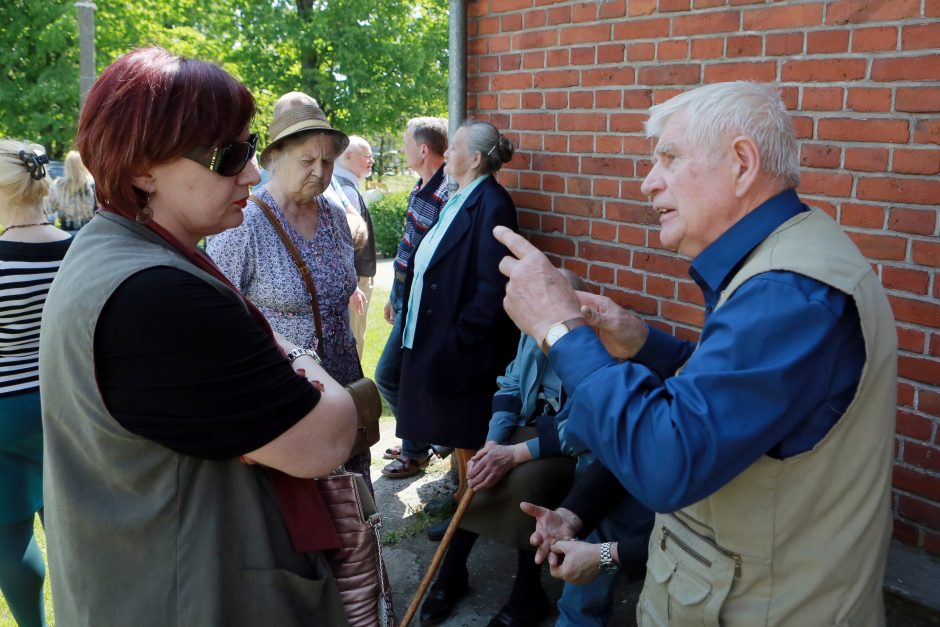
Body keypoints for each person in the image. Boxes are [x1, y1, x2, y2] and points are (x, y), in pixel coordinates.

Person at [497, 81, 896, 626]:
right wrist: (643, 343)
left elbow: (668, 458)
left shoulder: (787, 293)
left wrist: (557, 329)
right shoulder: (784, 261)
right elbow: (734, 401)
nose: (648, 182)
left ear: (741, 162)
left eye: (669, 157)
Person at [40, 47, 358, 626]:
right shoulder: (159, 300)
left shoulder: (110, 249)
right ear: (142, 168)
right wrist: (296, 356)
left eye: (250, 147)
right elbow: (327, 439)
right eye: (227, 154)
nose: (252, 172)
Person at [207, 92, 375, 495]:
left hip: (344, 385)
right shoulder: (244, 224)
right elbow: (221, 322)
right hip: (287, 396)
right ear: (274, 158)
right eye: (307, 161)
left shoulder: (335, 216)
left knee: (353, 513)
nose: (319, 172)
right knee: (300, 512)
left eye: (328, 162)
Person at [397, 119, 520, 625]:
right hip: (436, 343)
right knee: (463, 458)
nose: (446, 157)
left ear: (474, 159)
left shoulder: (493, 202)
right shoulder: (460, 195)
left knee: (474, 462)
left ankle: (452, 572)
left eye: (455, 152)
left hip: (464, 356)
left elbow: (490, 291)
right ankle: (455, 542)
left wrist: (459, 343)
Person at [0, 139, 70, 627]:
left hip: (5, 409)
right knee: (74, 531)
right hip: (69, 405)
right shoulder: (82, 248)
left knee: (10, 532)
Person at [375, 116, 450, 479]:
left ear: (423, 149)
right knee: (404, 374)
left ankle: (419, 447)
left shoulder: (445, 194)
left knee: (389, 375)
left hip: (423, 301)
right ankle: (415, 439)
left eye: (406, 143)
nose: (402, 149)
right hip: (405, 295)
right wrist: (394, 295)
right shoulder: (420, 188)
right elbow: (408, 248)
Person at [334, 135, 377, 358]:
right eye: (367, 156)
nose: (371, 160)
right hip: (356, 280)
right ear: (348, 156)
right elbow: (346, 243)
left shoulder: (343, 185)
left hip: (354, 279)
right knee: (355, 339)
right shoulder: (347, 191)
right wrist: (352, 284)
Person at [46, 150, 96, 232]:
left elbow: (50, 210)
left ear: (67, 166)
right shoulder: (93, 185)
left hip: (67, 233)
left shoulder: (58, 186)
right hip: (89, 233)